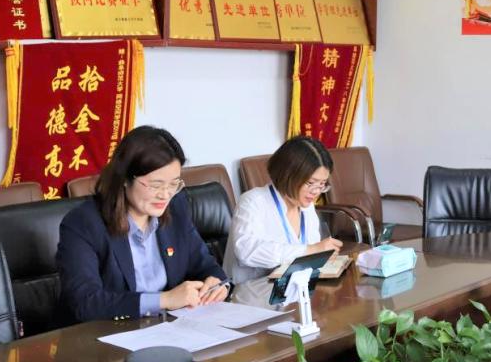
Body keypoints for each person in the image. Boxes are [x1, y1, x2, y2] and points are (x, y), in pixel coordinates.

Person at [56, 126, 229, 325]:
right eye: (156, 185)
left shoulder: (176, 208)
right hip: (103, 335)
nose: (165, 194)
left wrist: (217, 285)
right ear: (125, 179)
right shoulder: (84, 223)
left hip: (168, 329)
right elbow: (85, 302)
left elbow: (207, 266)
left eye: (173, 184)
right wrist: (165, 300)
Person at [223, 136, 343, 284]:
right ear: (288, 175)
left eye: (322, 184)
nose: (316, 191)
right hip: (252, 291)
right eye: (310, 183)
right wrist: (311, 250)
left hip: (293, 287)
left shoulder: (307, 206)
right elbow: (246, 251)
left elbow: (312, 250)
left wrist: (322, 254)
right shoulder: (253, 201)